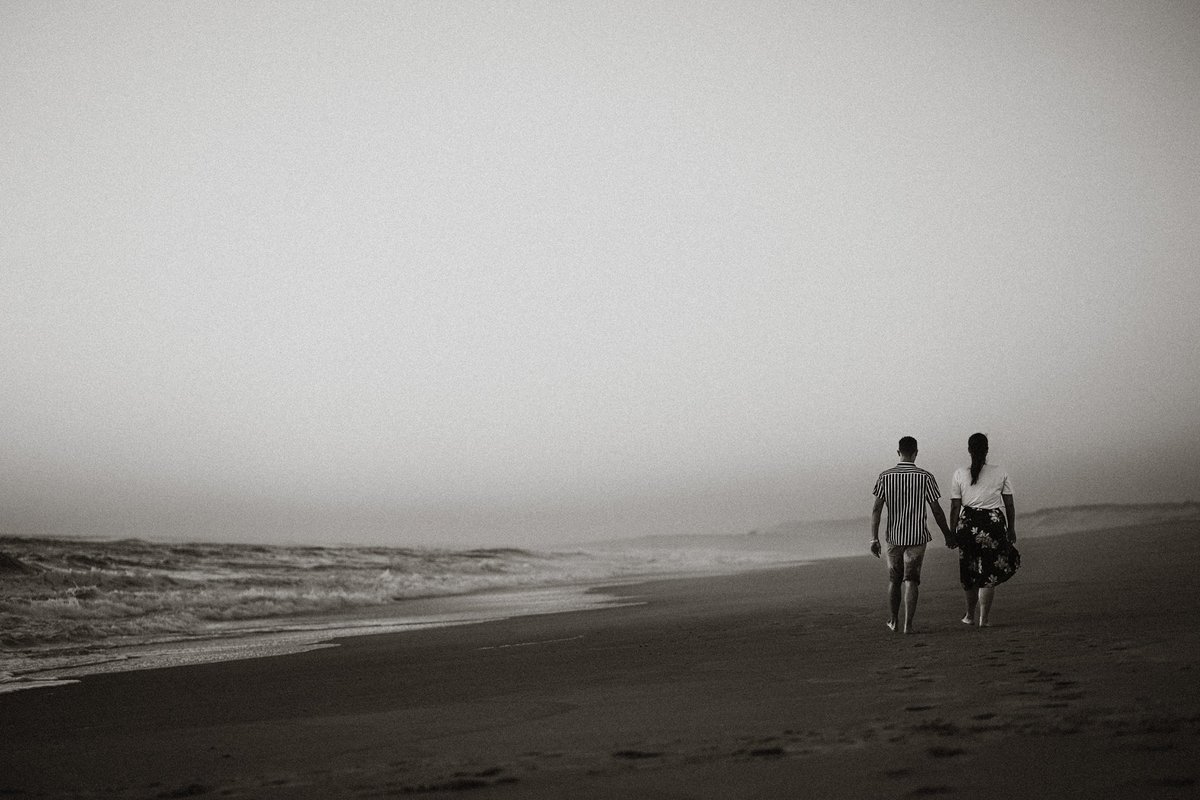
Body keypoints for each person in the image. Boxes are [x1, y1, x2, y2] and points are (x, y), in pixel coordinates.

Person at [871, 436, 954, 634]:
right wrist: (948, 535)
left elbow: (876, 510)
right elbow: (936, 509)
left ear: (898, 452)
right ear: (916, 453)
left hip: (893, 536)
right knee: (911, 580)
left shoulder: (885, 477)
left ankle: (893, 621)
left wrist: (873, 538)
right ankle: (908, 624)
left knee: (894, 579)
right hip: (917, 537)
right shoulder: (925, 477)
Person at [949, 432, 1020, 627]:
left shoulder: (959, 474)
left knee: (969, 571)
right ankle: (984, 619)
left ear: (969, 450)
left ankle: (969, 616)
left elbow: (955, 507)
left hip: (968, 524)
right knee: (988, 573)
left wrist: (952, 532)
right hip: (993, 524)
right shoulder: (1000, 472)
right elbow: (1010, 505)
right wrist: (1011, 529)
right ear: (987, 450)